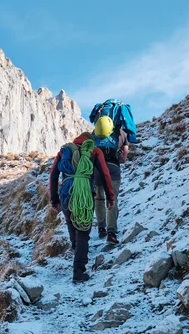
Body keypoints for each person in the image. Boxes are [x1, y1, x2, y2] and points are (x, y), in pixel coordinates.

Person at [49, 125, 115, 283]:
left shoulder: (64, 150)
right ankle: (79, 272)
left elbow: (53, 175)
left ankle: (76, 248)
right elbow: (105, 173)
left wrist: (54, 199)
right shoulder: (94, 151)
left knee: (71, 223)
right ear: (90, 141)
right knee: (83, 231)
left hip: (66, 192)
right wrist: (110, 197)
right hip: (85, 192)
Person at [88, 100, 140, 244]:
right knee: (112, 199)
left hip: (97, 170)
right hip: (113, 169)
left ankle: (101, 228)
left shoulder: (94, 134)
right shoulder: (121, 133)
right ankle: (111, 232)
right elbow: (123, 158)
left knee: (99, 198)